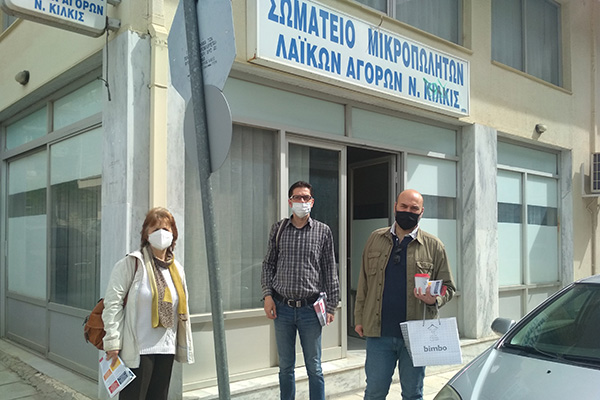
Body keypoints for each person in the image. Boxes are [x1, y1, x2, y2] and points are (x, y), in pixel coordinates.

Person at [354, 189, 456, 400]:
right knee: (374, 393)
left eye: (413, 208)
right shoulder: (375, 238)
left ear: (421, 212)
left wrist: (435, 298)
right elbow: (363, 283)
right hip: (379, 333)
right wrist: (359, 318)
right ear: (395, 207)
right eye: (404, 206)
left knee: (412, 394)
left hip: (417, 335)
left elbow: (448, 287)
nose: (408, 211)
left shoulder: (434, 246)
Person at [102, 207, 194, 400]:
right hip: (138, 349)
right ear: (146, 234)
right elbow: (113, 304)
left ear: (173, 234)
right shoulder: (131, 264)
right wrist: (113, 341)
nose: (161, 233)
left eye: (166, 229)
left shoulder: (177, 269)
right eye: (155, 229)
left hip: (166, 348)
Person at [261, 181, 340, 400]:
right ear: (290, 202)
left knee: (314, 367)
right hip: (282, 308)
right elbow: (268, 264)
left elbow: (329, 269)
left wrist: (331, 305)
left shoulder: (323, 231)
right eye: (297, 197)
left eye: (306, 198)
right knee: (286, 367)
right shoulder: (278, 229)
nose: (302, 201)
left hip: (310, 310)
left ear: (312, 202)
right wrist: (267, 296)